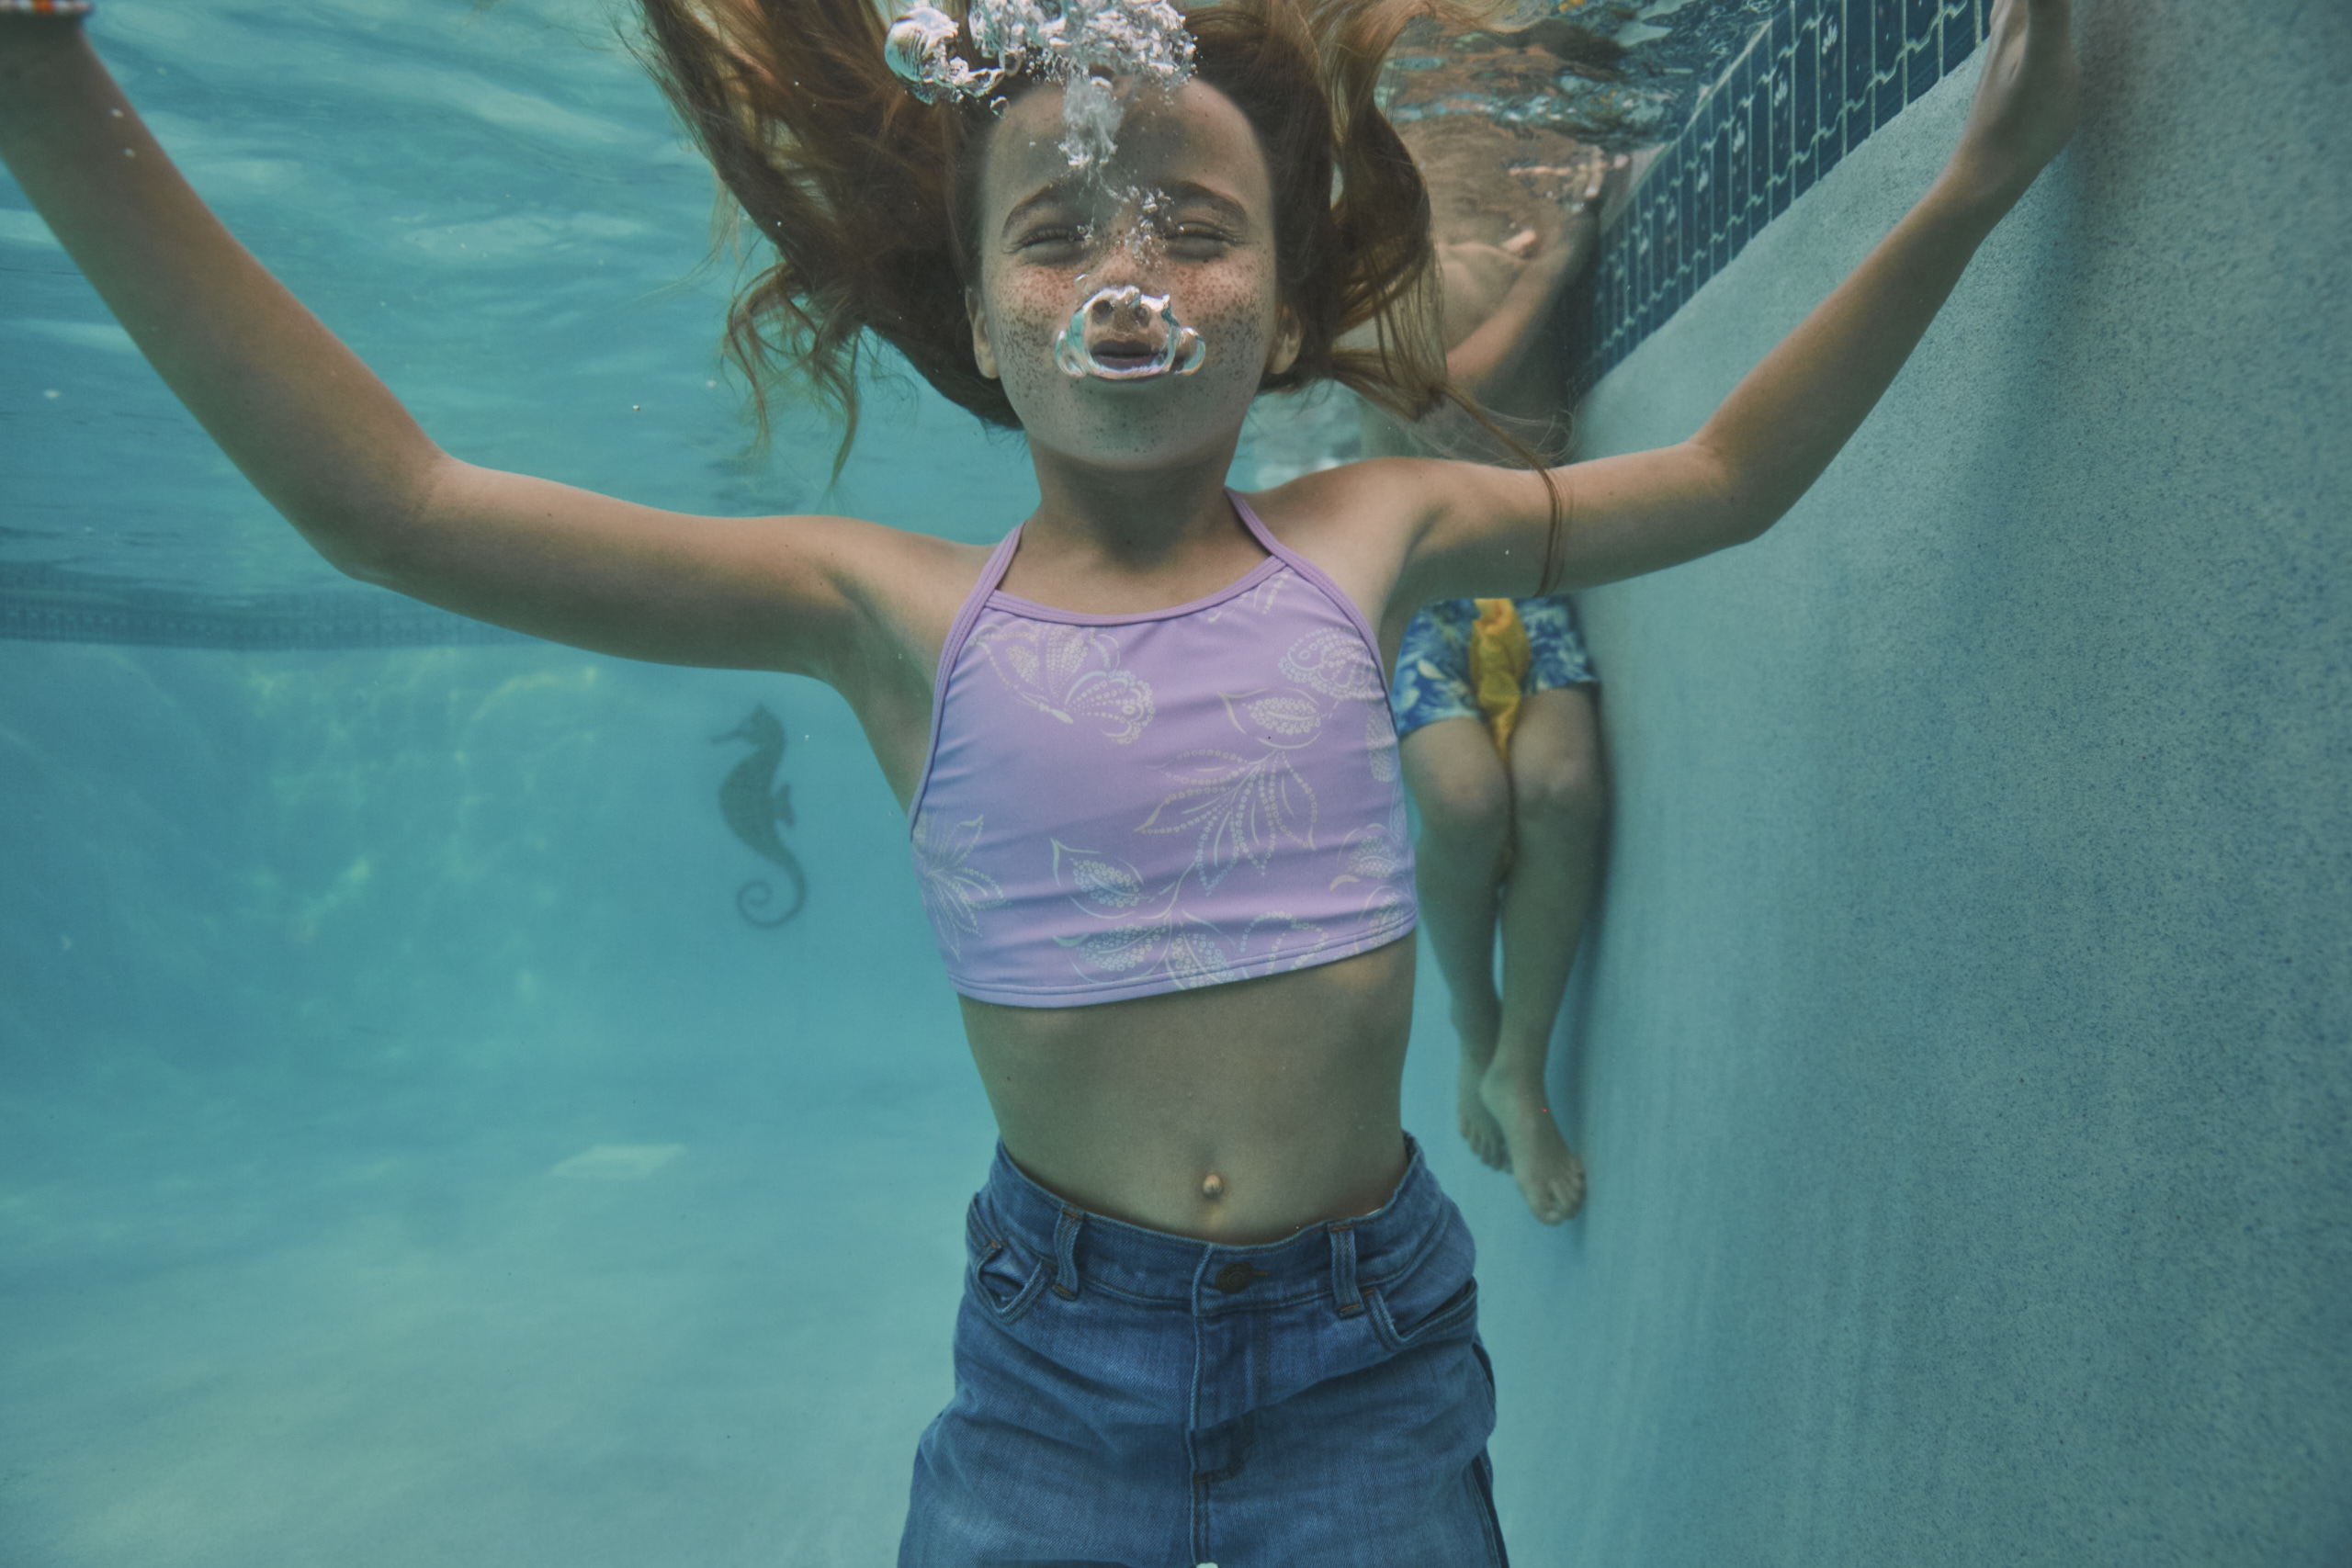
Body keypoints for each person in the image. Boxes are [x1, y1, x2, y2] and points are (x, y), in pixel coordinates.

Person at [0, 0, 2081, 1560]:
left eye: (1196, 229)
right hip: (1053, 1368)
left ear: (1282, 310)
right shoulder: (886, 611)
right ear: (983, 326)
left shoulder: (1376, 530)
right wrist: (45, 97)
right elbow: (396, 508)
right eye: (1060, 231)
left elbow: (1721, 477)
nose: (1127, 277)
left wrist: (1972, 185)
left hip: (1367, 1349)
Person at [1358, 135, 1623, 1227]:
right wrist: (1554, 264)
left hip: (1528, 568)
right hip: (1423, 585)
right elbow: (1432, 401)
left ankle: (1519, 1064)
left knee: (1562, 789)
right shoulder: (1363, 237)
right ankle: (1475, 1025)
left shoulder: (1520, 180)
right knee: (1465, 803)